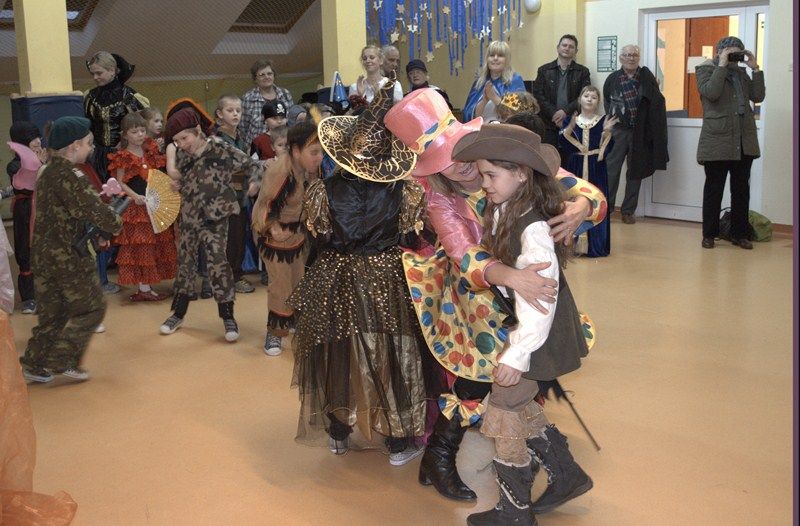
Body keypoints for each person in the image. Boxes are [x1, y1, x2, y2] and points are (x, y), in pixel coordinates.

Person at [385, 89, 604, 502]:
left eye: (459, 151)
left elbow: (583, 191)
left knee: (518, 374)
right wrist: (510, 276)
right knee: (478, 374)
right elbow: (461, 251)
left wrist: (580, 207)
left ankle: (545, 463)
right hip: (477, 293)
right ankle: (442, 456)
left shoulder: (502, 153)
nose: (461, 167)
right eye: (445, 162)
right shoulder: (438, 195)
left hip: (526, 286)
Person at [452, 124, 592, 526]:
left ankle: (515, 511)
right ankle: (567, 475)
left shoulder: (532, 228)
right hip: (534, 332)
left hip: (539, 334)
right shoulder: (505, 207)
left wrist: (517, 354)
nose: (484, 184)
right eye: (482, 175)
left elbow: (540, 301)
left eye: (491, 175)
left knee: (504, 410)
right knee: (518, 404)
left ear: (521, 174)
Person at [289, 78, 429, 465]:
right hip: (387, 275)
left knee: (338, 349)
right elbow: (410, 237)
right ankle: (397, 441)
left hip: (336, 275)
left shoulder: (322, 191)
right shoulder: (405, 191)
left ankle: (338, 432)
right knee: (393, 349)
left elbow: (318, 238)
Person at [20, 116, 123, 384]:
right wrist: (115, 221)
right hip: (67, 256)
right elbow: (96, 210)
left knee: (53, 313)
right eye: (88, 143)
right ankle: (62, 360)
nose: (91, 148)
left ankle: (34, 363)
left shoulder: (48, 171)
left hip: (43, 254)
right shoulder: (71, 175)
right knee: (93, 307)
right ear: (74, 145)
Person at [158, 108, 263, 342]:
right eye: (176, 141)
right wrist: (178, 185)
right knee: (185, 263)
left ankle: (228, 316)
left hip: (216, 217)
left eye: (184, 138)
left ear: (197, 131)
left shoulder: (220, 148)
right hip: (189, 215)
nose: (181, 144)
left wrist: (254, 184)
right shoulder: (183, 154)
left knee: (218, 263)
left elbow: (254, 166)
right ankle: (178, 314)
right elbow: (184, 177)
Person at [252, 121, 323, 356]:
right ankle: (275, 332)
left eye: (321, 152)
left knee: (297, 281)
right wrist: (272, 228)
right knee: (280, 285)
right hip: (273, 236)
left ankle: (292, 320)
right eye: (314, 152)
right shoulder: (279, 172)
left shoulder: (311, 169)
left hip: (298, 233)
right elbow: (265, 206)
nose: (319, 158)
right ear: (295, 150)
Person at [696, 36, 764, 250]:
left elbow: (758, 96)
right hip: (717, 139)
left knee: (741, 190)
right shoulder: (705, 70)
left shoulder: (742, 73)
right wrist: (722, 66)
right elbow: (711, 93)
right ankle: (709, 234)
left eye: (738, 52)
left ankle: (739, 234)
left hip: (744, 141)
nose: (734, 56)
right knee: (714, 190)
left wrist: (755, 69)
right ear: (719, 52)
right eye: (730, 52)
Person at [107, 113, 176, 300]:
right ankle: (144, 289)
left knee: (156, 244)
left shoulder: (150, 151)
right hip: (137, 209)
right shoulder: (123, 156)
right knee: (141, 246)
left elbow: (157, 176)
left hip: (153, 205)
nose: (139, 135)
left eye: (142, 131)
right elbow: (120, 182)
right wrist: (134, 196)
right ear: (125, 134)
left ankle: (148, 286)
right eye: (134, 131)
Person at [602, 44, 669, 224]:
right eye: (627, 55)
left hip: (640, 132)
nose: (631, 58)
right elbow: (607, 102)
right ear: (621, 58)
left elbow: (655, 102)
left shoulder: (647, 78)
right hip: (618, 131)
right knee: (611, 171)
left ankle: (628, 211)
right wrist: (614, 122)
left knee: (635, 172)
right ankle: (607, 210)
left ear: (638, 58)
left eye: (634, 55)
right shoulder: (612, 79)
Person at [560, 86, 618, 257]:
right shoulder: (571, 120)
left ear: (598, 101)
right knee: (573, 200)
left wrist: (606, 132)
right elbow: (563, 144)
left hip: (595, 168)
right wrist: (570, 127)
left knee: (596, 201)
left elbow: (607, 148)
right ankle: (571, 244)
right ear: (580, 99)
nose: (590, 99)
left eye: (594, 97)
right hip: (576, 165)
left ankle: (595, 245)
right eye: (586, 96)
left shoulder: (603, 120)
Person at [214, 94, 256, 294]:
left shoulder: (240, 137)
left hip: (241, 196)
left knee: (239, 237)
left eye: (238, 110)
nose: (235, 114)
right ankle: (230, 278)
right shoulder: (217, 140)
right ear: (219, 114)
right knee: (229, 239)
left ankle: (235, 274)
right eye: (230, 110)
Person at [84, 51, 149, 182]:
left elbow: (142, 127)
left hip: (125, 155)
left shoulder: (129, 97)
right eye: (93, 74)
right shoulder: (90, 97)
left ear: (112, 71)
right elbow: (88, 126)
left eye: (99, 73)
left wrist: (124, 145)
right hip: (97, 157)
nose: (95, 77)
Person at [6, 122, 46, 314]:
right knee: (25, 249)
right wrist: (39, 165)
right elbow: (28, 185)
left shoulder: (45, 157)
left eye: (38, 137)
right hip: (25, 210)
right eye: (32, 139)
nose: (38, 141)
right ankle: (28, 298)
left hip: (44, 208)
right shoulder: (14, 165)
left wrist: (45, 164)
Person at [532, 34, 591, 163]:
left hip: (573, 124)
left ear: (576, 51)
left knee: (571, 163)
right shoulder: (544, 70)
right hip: (548, 125)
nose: (567, 48)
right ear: (558, 48)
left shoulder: (583, 72)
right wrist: (554, 113)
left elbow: (584, 96)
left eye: (571, 46)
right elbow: (538, 95)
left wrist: (565, 111)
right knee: (549, 162)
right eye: (564, 45)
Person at [462, 40, 525, 122]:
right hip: (483, 128)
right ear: (487, 59)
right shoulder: (479, 83)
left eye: (500, 55)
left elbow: (517, 115)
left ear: (507, 60)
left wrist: (494, 97)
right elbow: (470, 117)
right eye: (492, 55)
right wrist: (484, 101)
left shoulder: (514, 81)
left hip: (506, 129)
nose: (495, 58)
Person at [240, 59, 294, 149]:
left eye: (269, 73)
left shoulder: (285, 94)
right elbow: (242, 128)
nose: (266, 77)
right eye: (262, 75)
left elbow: (291, 121)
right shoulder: (248, 98)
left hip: (283, 147)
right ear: (255, 78)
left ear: (274, 75)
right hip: (257, 149)